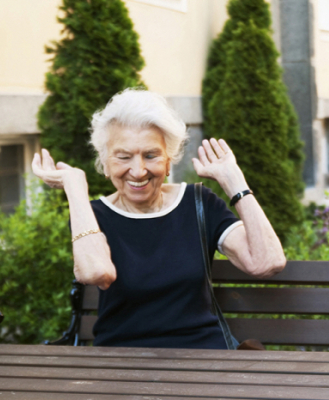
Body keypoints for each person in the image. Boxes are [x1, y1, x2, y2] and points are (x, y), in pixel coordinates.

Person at [32, 88, 286, 349]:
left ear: (168, 163)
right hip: (121, 363)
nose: (139, 170)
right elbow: (97, 273)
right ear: (105, 165)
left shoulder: (198, 202)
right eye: (123, 157)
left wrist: (234, 181)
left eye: (151, 155)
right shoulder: (94, 215)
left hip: (204, 358)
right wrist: (74, 187)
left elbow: (267, 262)